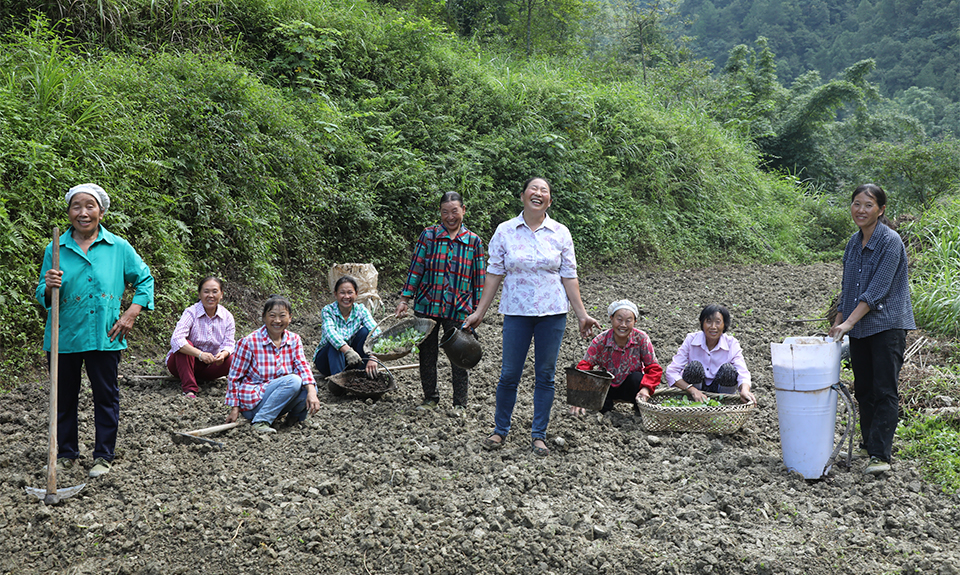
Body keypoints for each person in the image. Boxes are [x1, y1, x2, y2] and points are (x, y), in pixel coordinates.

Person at [463, 177, 601, 457]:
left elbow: (569, 276)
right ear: (523, 195)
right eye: (533, 189)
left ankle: (539, 435)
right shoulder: (505, 231)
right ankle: (500, 430)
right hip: (517, 312)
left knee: (545, 376)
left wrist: (582, 314)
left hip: (552, 314)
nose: (538, 194)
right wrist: (480, 312)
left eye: (544, 191)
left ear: (549, 200)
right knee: (509, 374)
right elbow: (494, 273)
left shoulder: (560, 232)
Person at [36, 183, 155, 478]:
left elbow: (145, 280)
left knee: (105, 397)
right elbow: (42, 295)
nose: (83, 212)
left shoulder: (118, 247)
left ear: (101, 212)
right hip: (64, 335)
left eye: (90, 206)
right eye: (76, 206)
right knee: (63, 399)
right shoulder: (56, 248)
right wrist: (49, 286)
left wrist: (130, 314)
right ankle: (66, 454)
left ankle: (103, 455)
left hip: (105, 335)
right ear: (69, 212)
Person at [828, 183, 915, 476]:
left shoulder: (891, 242)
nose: (861, 210)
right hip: (859, 326)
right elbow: (848, 287)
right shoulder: (853, 243)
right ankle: (868, 443)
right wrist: (839, 321)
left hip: (887, 325)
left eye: (868, 205)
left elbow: (877, 289)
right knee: (863, 388)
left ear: (881, 210)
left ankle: (880, 454)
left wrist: (849, 323)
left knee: (884, 389)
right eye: (856, 204)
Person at [395, 191, 486, 410]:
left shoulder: (473, 242)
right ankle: (430, 398)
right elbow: (416, 268)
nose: (450, 217)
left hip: (459, 307)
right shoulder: (429, 235)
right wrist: (405, 298)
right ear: (440, 213)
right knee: (427, 354)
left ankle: (459, 404)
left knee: (460, 354)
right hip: (428, 304)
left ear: (463, 210)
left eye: (454, 211)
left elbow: (479, 280)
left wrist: (477, 311)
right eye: (445, 212)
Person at [225, 295, 320, 433]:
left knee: (310, 387)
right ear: (264, 317)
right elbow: (234, 377)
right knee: (294, 381)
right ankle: (260, 421)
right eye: (272, 315)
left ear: (290, 318)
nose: (277, 320)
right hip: (254, 403)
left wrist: (311, 392)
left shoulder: (294, 339)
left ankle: (294, 419)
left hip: (280, 399)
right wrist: (234, 409)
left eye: (282, 316)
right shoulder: (249, 342)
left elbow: (303, 367)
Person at [568, 300, 663, 416]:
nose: (623, 325)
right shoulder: (600, 341)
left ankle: (639, 409)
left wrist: (646, 388)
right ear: (611, 318)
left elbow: (653, 368)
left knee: (637, 378)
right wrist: (579, 396)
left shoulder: (641, 339)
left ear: (635, 322)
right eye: (619, 319)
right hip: (606, 387)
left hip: (630, 387)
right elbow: (584, 366)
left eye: (628, 321)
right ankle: (605, 408)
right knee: (598, 388)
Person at [665, 304, 755, 404]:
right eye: (708, 321)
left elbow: (743, 372)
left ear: (724, 325)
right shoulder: (691, 340)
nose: (713, 327)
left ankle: (725, 405)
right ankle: (693, 404)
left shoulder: (731, 344)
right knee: (694, 368)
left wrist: (745, 390)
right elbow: (671, 371)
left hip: (721, 391)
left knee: (728, 371)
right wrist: (692, 390)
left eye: (718, 322)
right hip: (695, 391)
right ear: (701, 323)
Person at [165, 276, 235, 398]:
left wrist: (223, 354)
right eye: (206, 291)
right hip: (182, 365)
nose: (210, 296)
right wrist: (200, 354)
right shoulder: (191, 313)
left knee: (232, 358)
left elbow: (229, 344)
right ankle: (189, 389)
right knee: (185, 345)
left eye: (215, 291)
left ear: (221, 294)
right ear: (199, 294)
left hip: (209, 367)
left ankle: (202, 379)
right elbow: (176, 339)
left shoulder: (227, 317)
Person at [313, 276, 380, 382]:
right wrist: (347, 350)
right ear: (335, 294)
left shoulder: (360, 310)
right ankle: (338, 382)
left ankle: (362, 375)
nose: (346, 296)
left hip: (351, 361)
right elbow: (330, 333)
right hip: (327, 361)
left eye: (350, 292)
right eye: (342, 293)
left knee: (365, 332)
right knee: (334, 344)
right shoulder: (328, 311)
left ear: (356, 294)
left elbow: (376, 331)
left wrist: (373, 356)